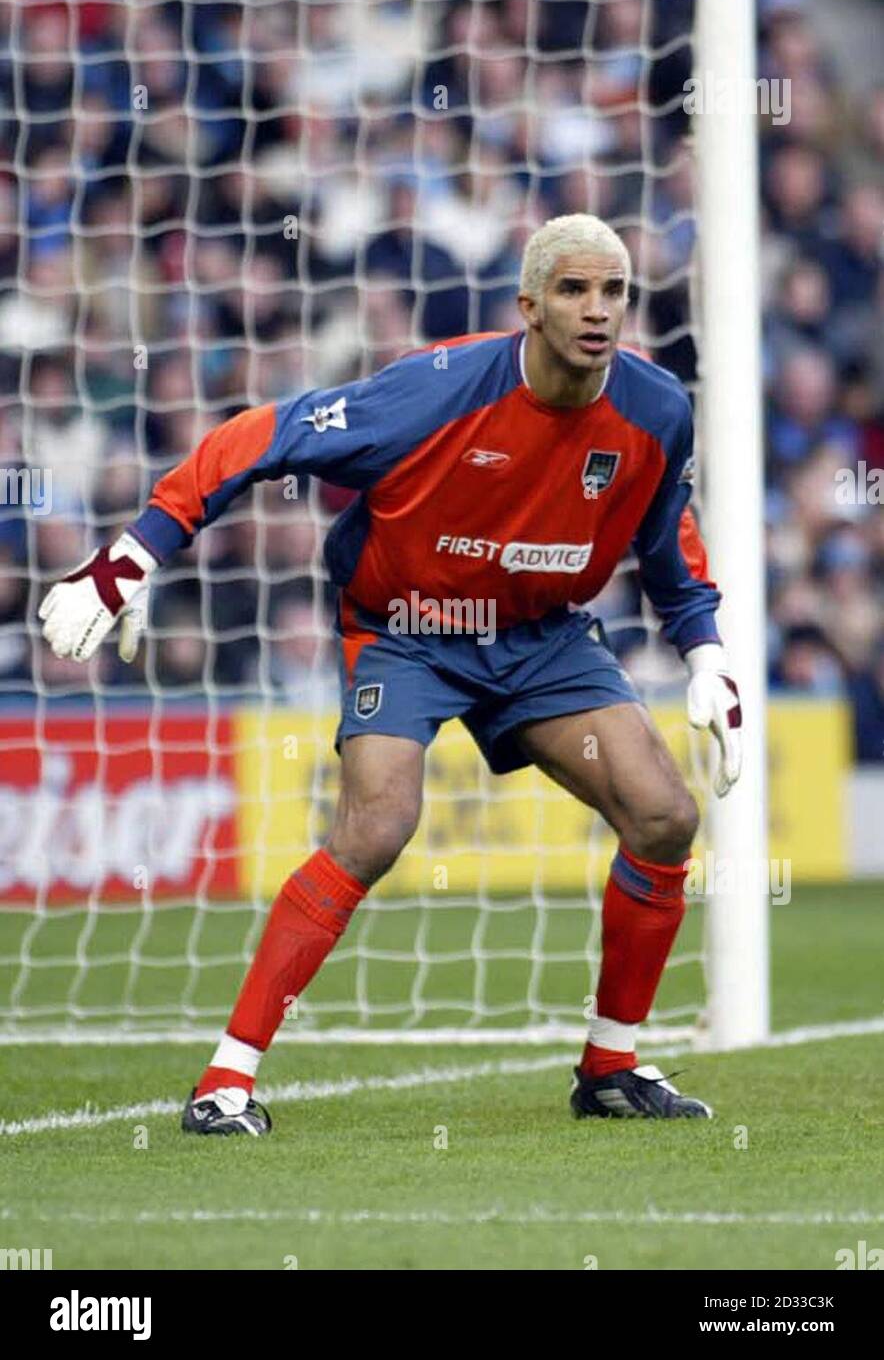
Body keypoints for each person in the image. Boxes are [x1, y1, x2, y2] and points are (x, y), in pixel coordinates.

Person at [39, 214, 742, 1134]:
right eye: (573, 290)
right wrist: (131, 556)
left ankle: (609, 1066)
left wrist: (706, 651)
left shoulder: (657, 410)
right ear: (529, 306)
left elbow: (664, 539)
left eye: (613, 291)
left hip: (543, 635)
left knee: (665, 814)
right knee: (376, 827)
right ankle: (226, 1081)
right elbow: (260, 436)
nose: (597, 310)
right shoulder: (434, 392)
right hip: (408, 627)